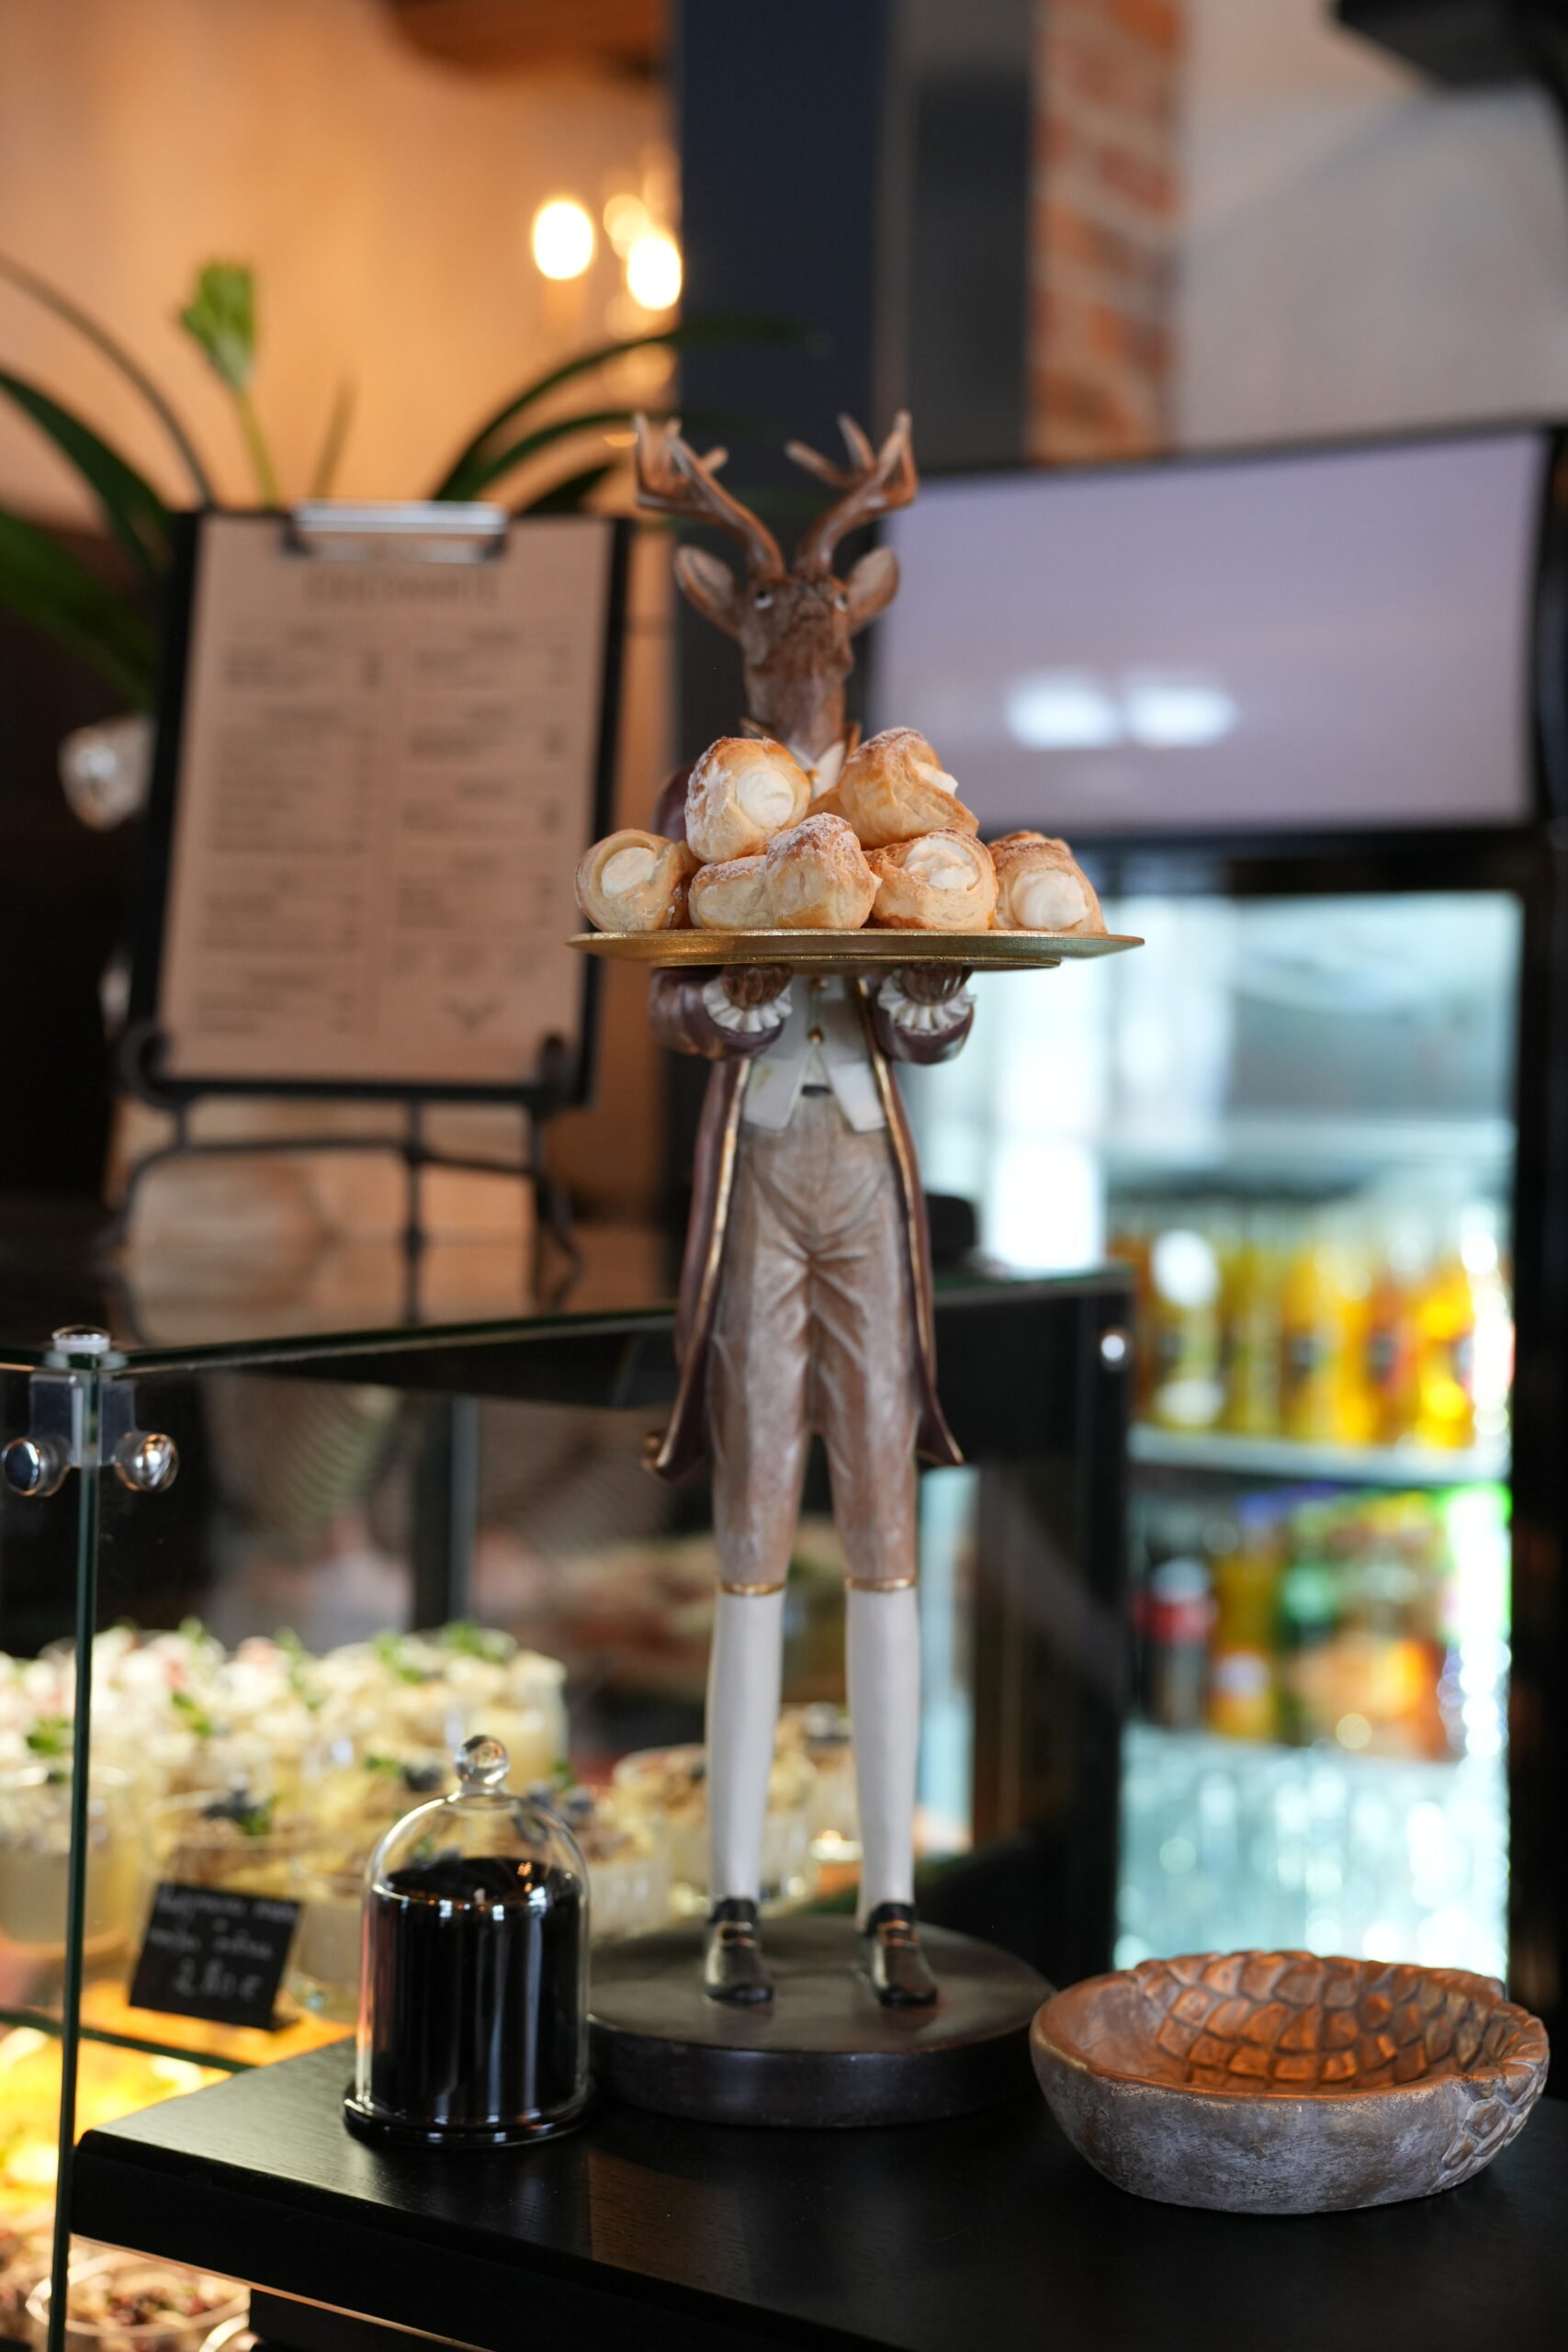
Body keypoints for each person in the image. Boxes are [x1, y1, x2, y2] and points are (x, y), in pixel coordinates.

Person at [648, 954, 973, 2006]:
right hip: (762, 1170)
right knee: (749, 1544)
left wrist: (932, 992)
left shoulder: (902, 849)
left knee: (885, 1539)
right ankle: (733, 1900)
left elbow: (935, 1032)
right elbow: (668, 999)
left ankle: (891, 1900)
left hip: (869, 1175)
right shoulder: (716, 841)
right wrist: (730, 1001)